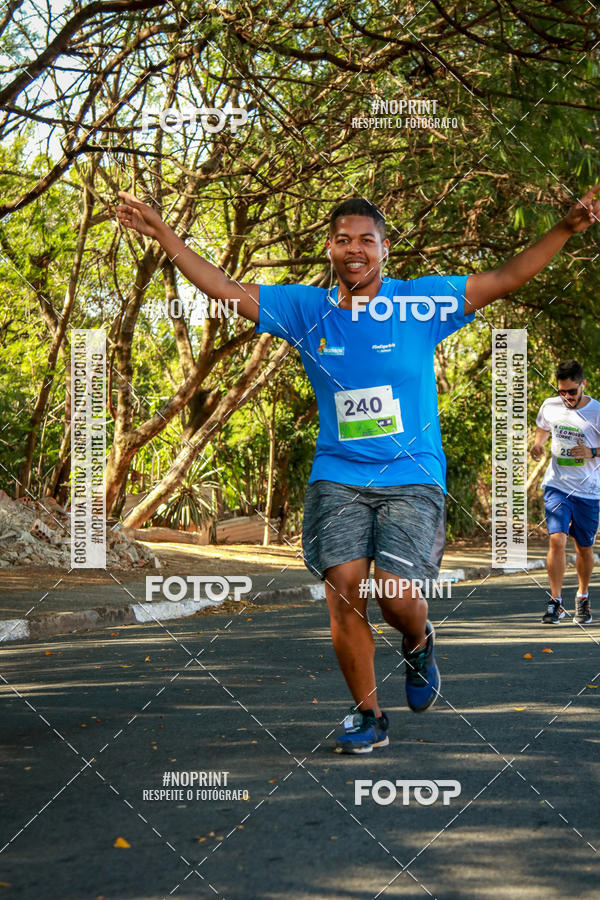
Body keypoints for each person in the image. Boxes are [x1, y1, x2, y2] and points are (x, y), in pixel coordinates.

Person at [116, 185, 600, 753]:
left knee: (395, 595)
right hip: (338, 474)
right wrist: (163, 232)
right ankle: (368, 714)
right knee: (344, 591)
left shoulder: (419, 303)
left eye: (366, 240)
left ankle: (417, 640)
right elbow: (223, 287)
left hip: (412, 476)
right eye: (343, 240)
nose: (355, 250)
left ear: (384, 249)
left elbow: (506, 276)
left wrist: (566, 228)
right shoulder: (306, 309)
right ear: (329, 248)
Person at [531, 359, 600, 625]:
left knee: (584, 548)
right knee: (556, 540)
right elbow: (543, 428)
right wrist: (538, 444)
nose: (567, 397)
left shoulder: (596, 412)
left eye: (572, 391)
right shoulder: (551, 406)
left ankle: (582, 596)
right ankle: (555, 601)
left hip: (588, 490)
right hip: (557, 485)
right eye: (562, 391)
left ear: (583, 385)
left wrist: (591, 452)